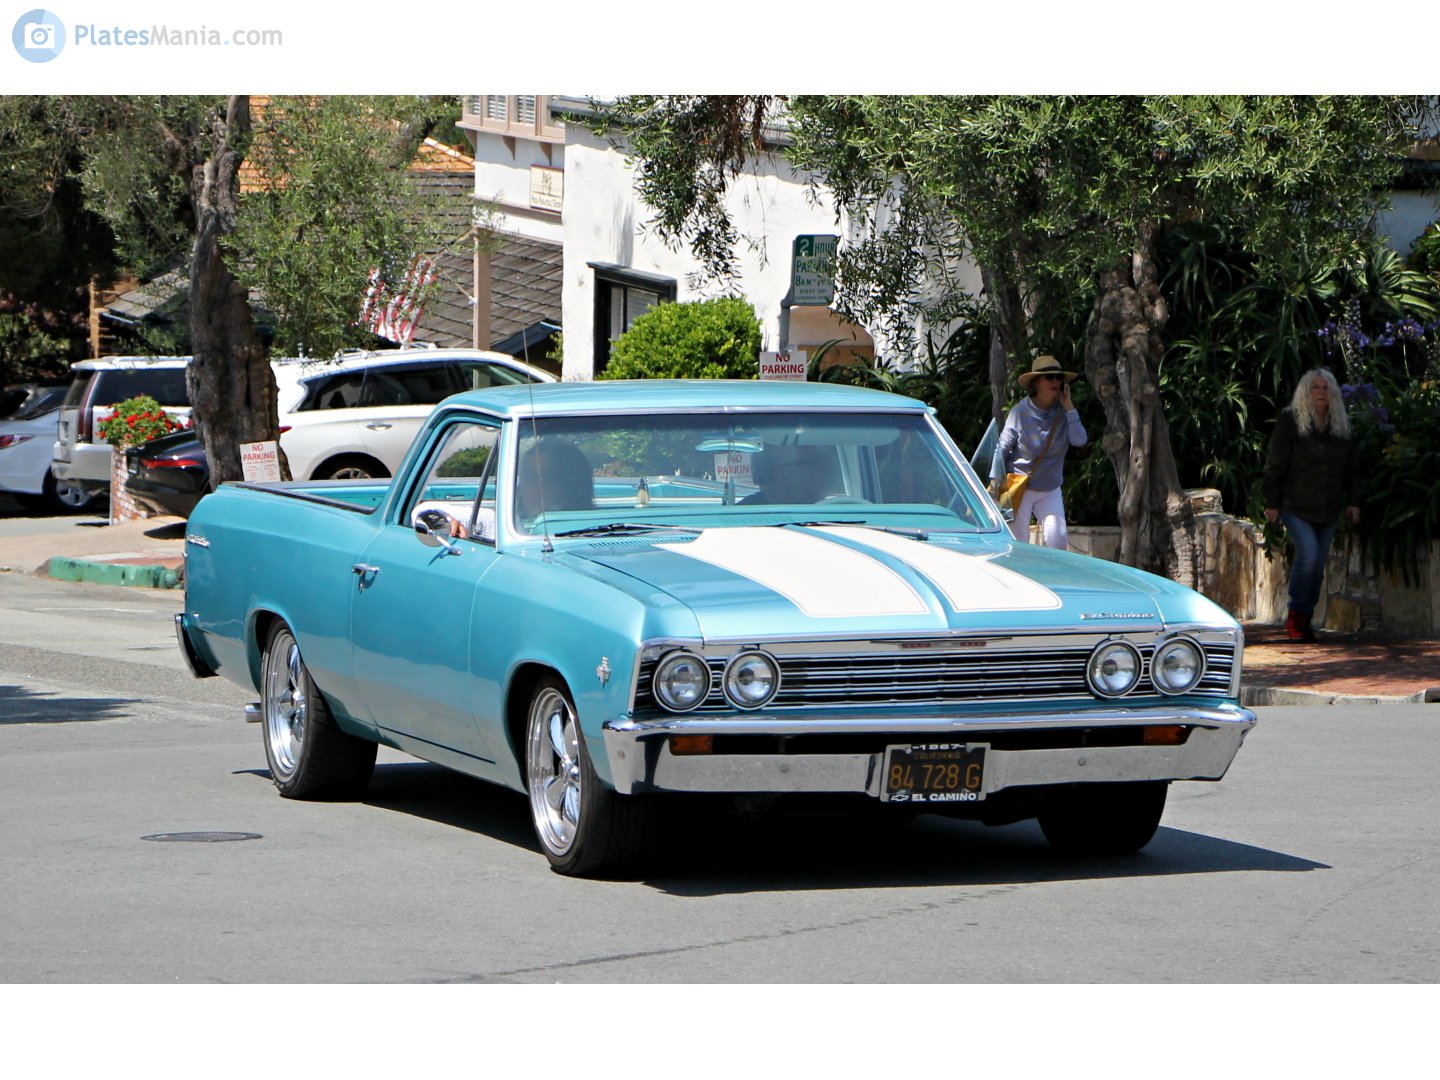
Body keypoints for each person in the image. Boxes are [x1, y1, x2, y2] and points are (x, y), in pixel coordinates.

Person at [1262, 367, 1360, 643]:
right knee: (1308, 555)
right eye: (1315, 388)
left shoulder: (1340, 425)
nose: (1320, 393)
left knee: (1317, 565)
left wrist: (1354, 502)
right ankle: (1295, 614)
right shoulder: (1290, 421)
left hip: (1328, 507)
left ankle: (1305, 618)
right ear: (1306, 392)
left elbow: (1352, 469)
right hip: (1296, 504)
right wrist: (1272, 502)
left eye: (1325, 388)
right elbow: (1276, 462)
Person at [992, 355, 1088, 549]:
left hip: (1050, 487)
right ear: (1036, 383)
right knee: (1019, 544)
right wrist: (995, 483)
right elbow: (1002, 447)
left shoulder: (1064, 412)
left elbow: (1080, 440)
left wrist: (1069, 407)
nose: (1055, 381)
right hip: (1019, 486)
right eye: (1050, 377)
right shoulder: (1019, 412)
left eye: (1058, 377)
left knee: (1058, 540)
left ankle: (1049, 578)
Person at [741, 443, 837, 504]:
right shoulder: (742, 520)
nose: (824, 472)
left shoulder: (831, 512)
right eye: (814, 464)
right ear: (784, 474)